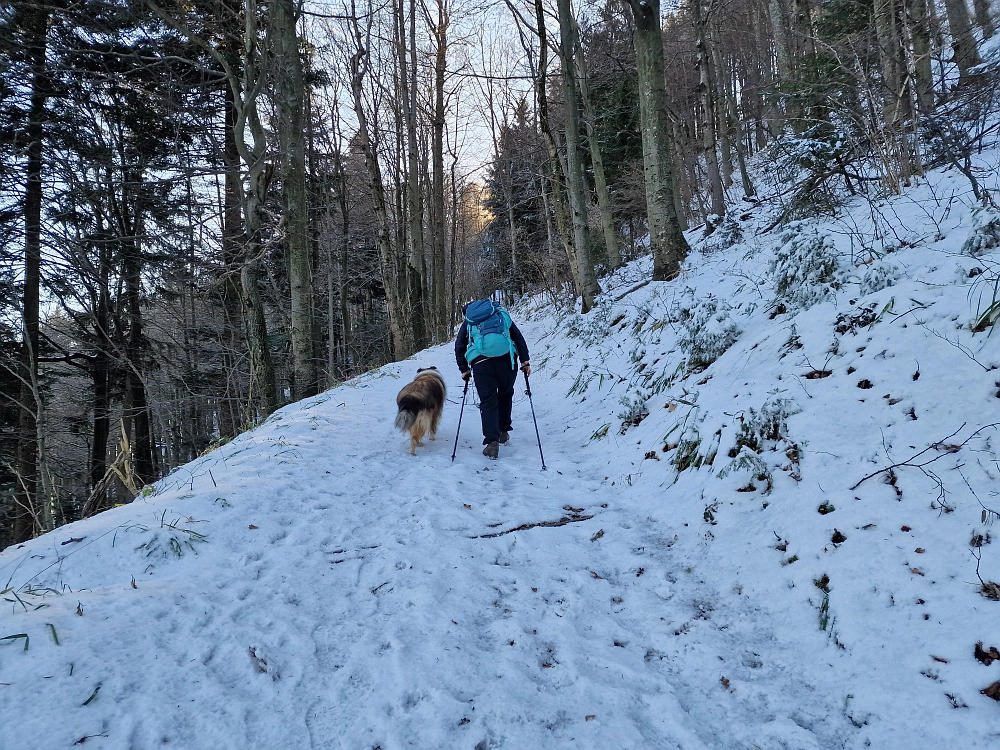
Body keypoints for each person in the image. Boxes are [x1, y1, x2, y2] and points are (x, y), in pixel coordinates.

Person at [455, 300, 530, 459]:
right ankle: (503, 431)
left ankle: (492, 443)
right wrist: (525, 361)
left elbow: (459, 345)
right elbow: (518, 337)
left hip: (481, 364)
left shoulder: (470, 320)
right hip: (507, 361)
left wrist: (464, 369)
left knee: (488, 402)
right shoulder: (500, 314)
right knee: (505, 395)